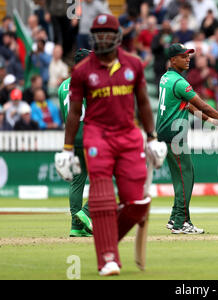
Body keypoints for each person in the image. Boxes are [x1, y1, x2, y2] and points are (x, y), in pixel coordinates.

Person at [55, 14, 159, 276]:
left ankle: (108, 243)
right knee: (101, 196)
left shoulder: (133, 65)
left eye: (106, 32)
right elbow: (74, 111)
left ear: (117, 36)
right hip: (96, 136)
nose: (102, 37)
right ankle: (108, 258)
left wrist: (152, 137)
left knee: (137, 202)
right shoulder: (82, 71)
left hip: (128, 136)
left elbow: (144, 102)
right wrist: (67, 149)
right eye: (97, 32)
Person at [156, 43, 218, 234]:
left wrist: (208, 121)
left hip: (165, 132)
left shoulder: (166, 78)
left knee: (180, 177)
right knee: (186, 177)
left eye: (189, 55)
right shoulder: (180, 82)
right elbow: (201, 104)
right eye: (183, 56)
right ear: (173, 60)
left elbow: (186, 106)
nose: (188, 59)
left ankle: (176, 218)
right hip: (175, 134)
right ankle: (181, 222)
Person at [58, 49, 92, 237]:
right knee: (102, 177)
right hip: (89, 136)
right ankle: (86, 213)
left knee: (77, 181)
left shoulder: (63, 86)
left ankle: (76, 226)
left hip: (72, 137)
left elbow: (66, 114)